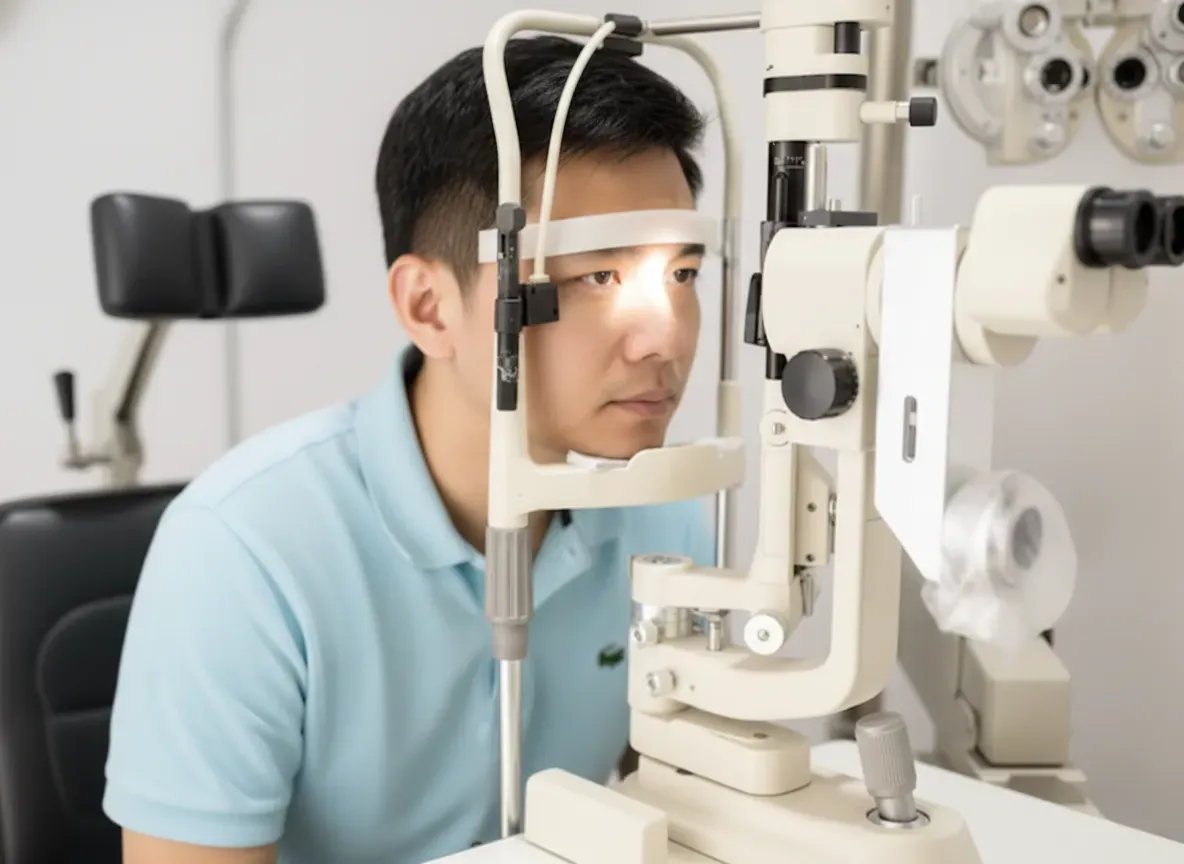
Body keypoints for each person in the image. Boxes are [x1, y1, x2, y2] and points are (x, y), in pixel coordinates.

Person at [104, 33, 715, 864]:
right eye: (597, 278)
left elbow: (676, 808)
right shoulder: (243, 548)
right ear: (429, 306)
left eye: (681, 273)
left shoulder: (669, 516)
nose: (665, 335)